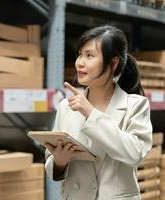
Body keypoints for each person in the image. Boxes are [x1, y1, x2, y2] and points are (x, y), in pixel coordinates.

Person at [44, 25, 152, 200]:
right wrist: (59, 161)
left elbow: (135, 154)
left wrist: (91, 113)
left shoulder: (136, 105)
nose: (80, 62)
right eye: (80, 54)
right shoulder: (66, 106)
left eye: (89, 55)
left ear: (113, 63)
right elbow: (53, 171)